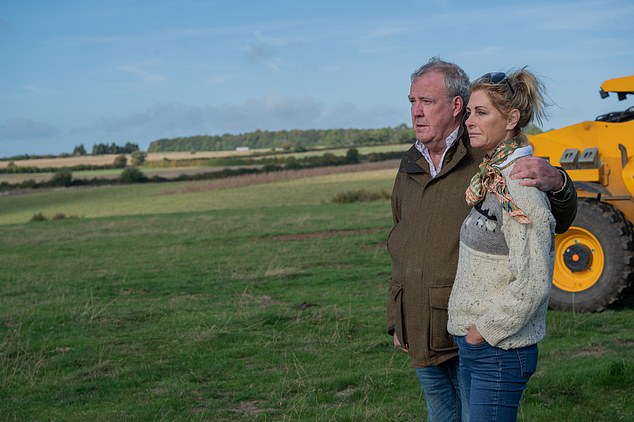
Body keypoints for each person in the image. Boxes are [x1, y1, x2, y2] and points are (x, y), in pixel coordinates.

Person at [386, 58, 576, 422]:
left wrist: (559, 182)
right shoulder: (410, 163)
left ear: (455, 107)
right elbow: (400, 241)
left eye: (426, 101)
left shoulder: (488, 156)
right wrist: (399, 314)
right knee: (440, 415)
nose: (416, 112)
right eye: (412, 102)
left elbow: (554, 221)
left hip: (473, 331)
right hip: (423, 325)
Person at [447, 68, 554, 421]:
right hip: (476, 345)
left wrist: (484, 332)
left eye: (481, 113)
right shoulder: (492, 176)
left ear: (510, 119)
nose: (469, 122)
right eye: (469, 113)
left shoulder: (520, 183)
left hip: (499, 349)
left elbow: (534, 279)